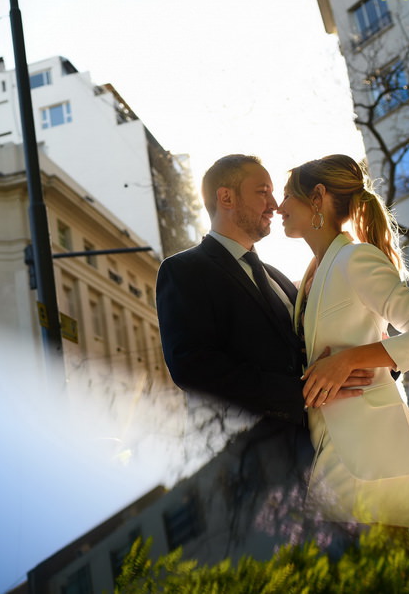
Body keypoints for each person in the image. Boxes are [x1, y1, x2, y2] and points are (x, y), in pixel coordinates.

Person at [155, 154, 370, 559]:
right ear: (226, 197)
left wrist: (362, 366)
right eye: (263, 191)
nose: (274, 203)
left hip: (319, 466)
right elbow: (193, 367)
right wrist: (301, 393)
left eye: (274, 193)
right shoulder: (183, 270)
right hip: (247, 476)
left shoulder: (277, 276)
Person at [278, 154, 409, 548]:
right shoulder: (309, 275)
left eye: (289, 196)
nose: (279, 207)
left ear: (317, 197)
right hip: (325, 447)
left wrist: (350, 360)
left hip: (370, 449)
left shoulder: (356, 259)